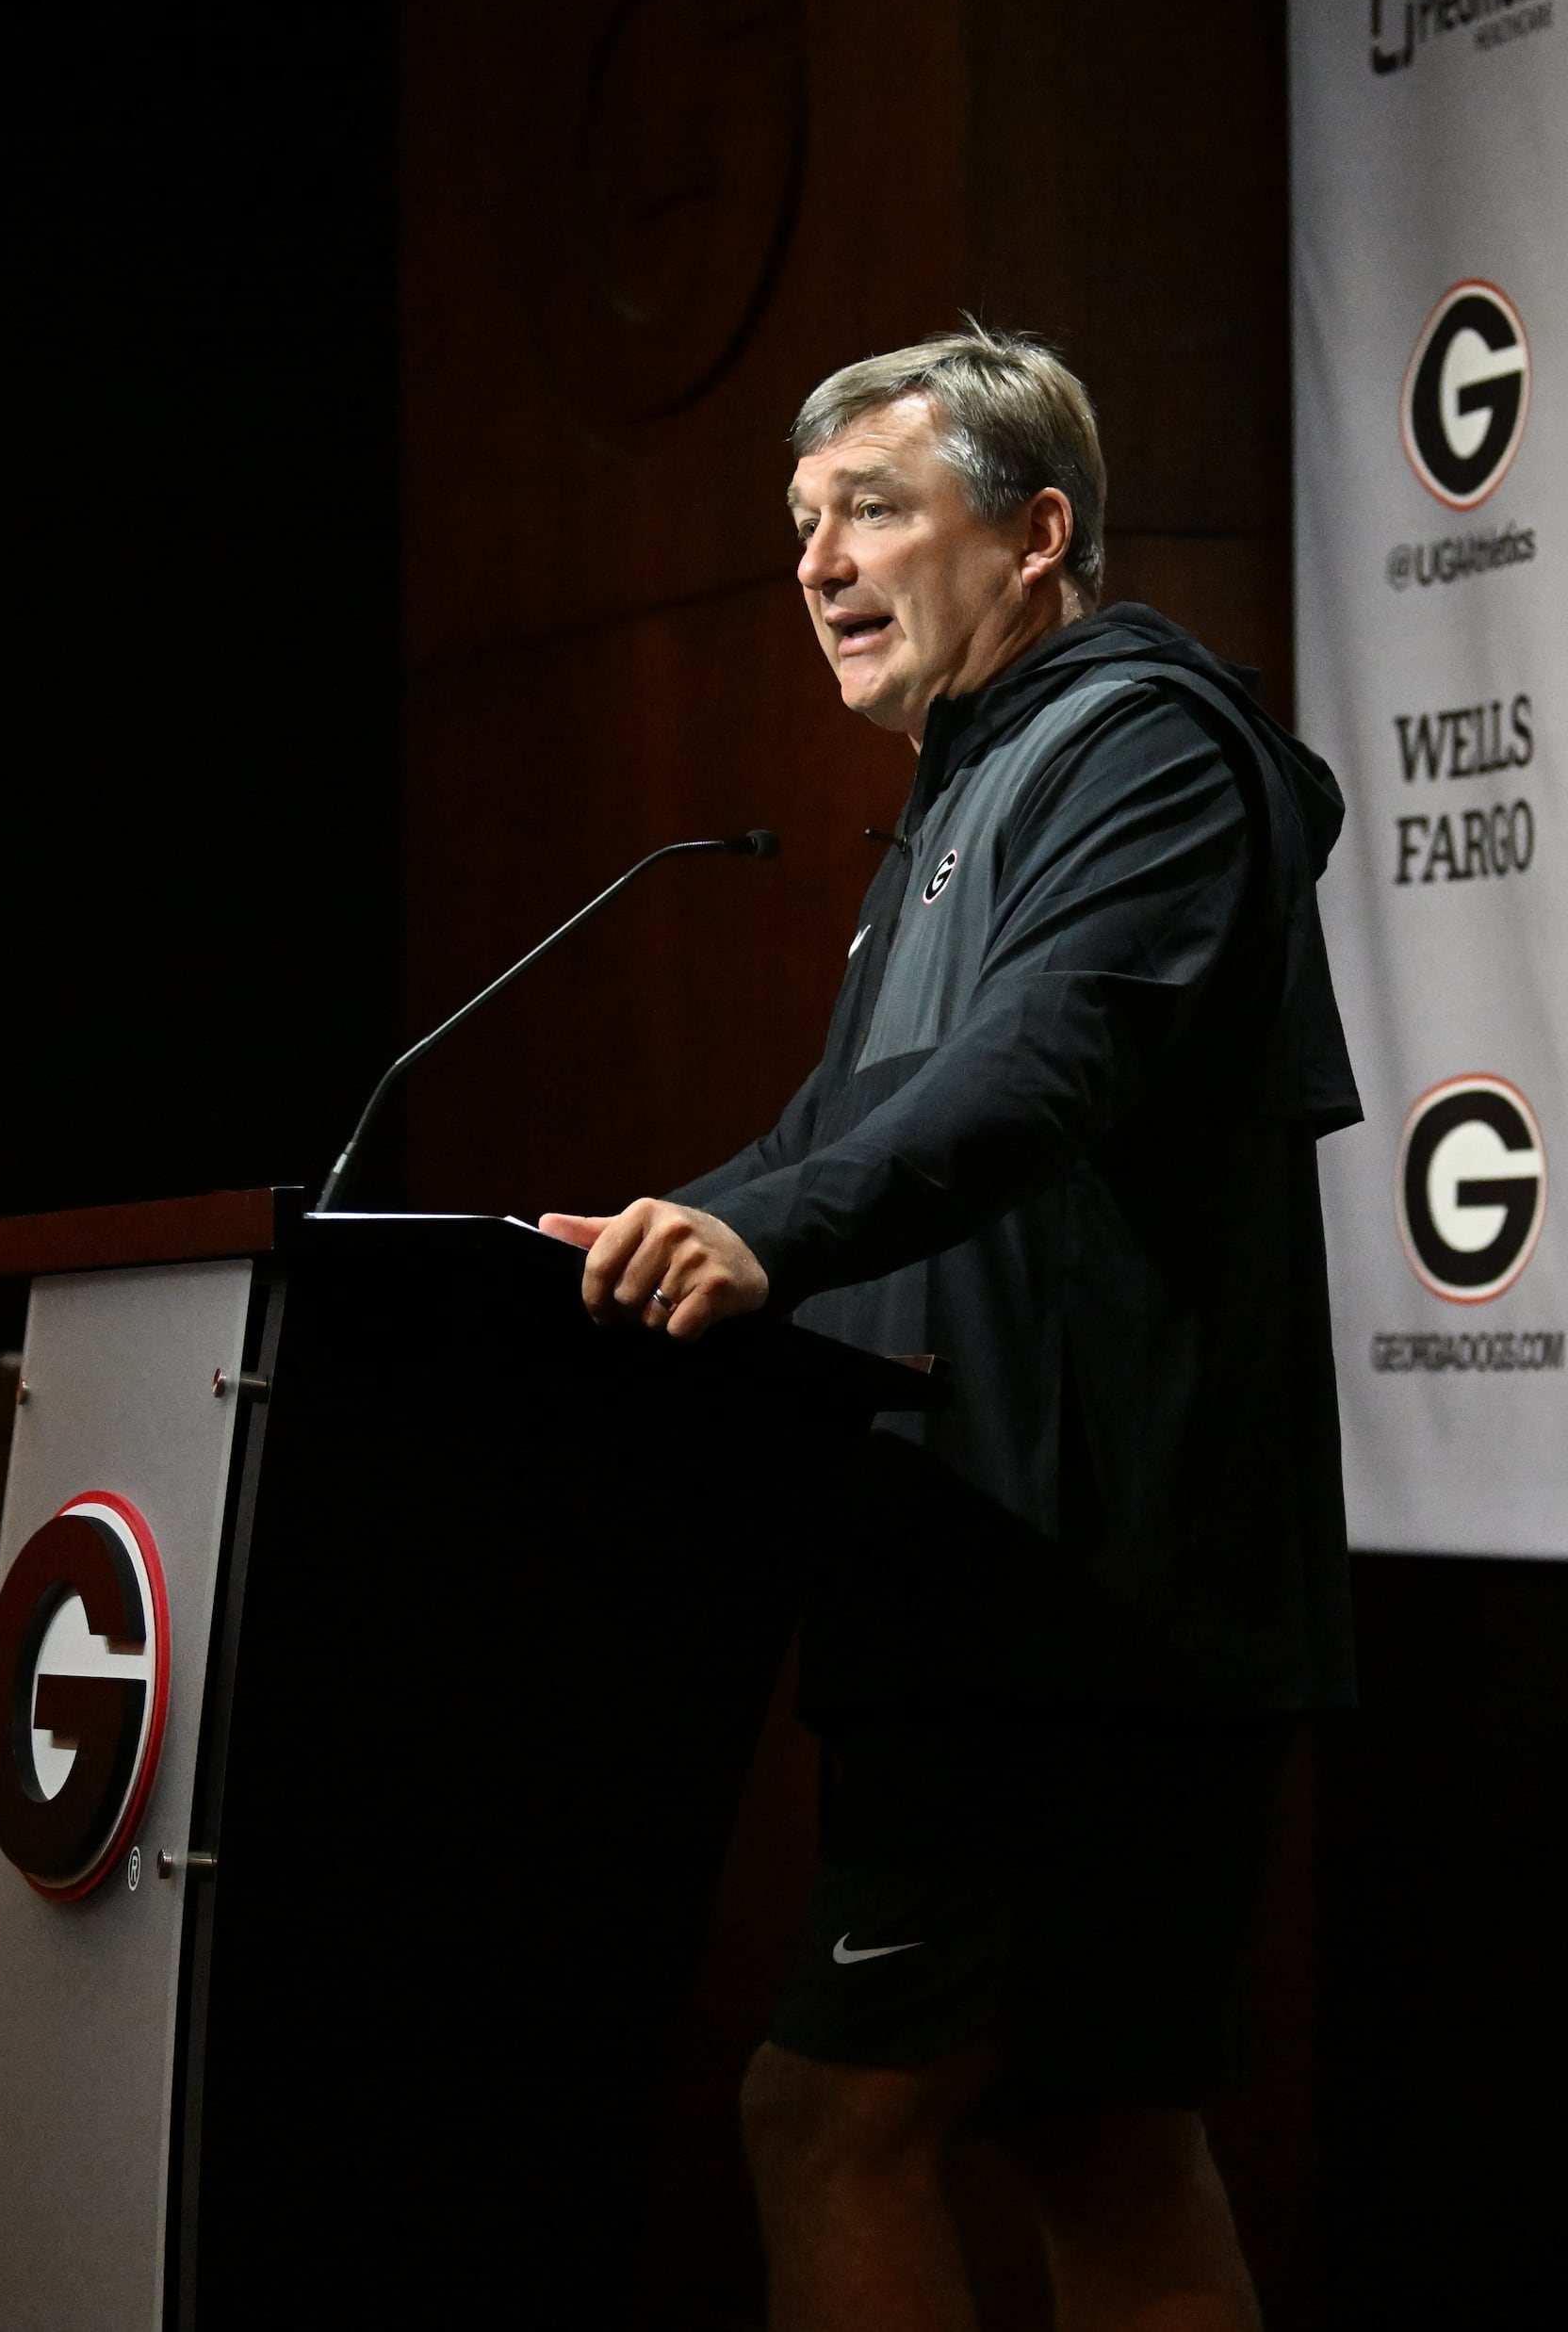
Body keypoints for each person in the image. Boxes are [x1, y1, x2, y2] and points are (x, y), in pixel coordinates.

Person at [538, 326, 1357, 2332]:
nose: (817, 561)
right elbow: (848, 1125)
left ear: (1036, 530)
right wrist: (661, 1233)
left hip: (1083, 1609)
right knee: (1101, 2137)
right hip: (1014, 1594)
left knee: (830, 2122)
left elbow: (1037, 1070)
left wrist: (763, 1241)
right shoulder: (970, 791)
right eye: (799, 526)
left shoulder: (1147, 751)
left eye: (873, 511)